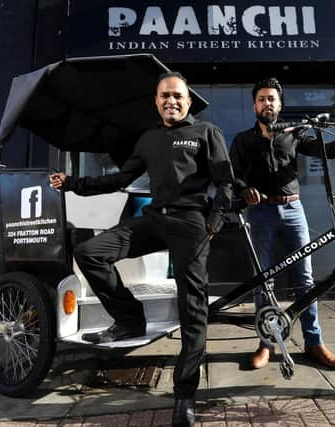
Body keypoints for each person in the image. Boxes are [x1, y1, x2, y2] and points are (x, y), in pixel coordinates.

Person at [50, 71, 234, 427]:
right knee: (89, 253)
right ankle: (130, 318)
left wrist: (215, 221)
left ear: (188, 101)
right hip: (153, 220)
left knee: (192, 308)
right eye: (165, 96)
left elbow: (224, 182)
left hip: (191, 223)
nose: (172, 101)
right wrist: (73, 183)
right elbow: (120, 180)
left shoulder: (206, 133)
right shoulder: (148, 139)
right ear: (156, 101)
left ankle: (184, 395)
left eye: (178, 96)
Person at [229, 77, 335, 371]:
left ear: (279, 104)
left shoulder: (294, 134)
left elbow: (330, 151)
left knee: (305, 281)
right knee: (263, 283)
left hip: (294, 209)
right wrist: (244, 189)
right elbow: (233, 177)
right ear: (254, 105)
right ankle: (266, 344)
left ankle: (314, 342)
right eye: (261, 99)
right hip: (261, 213)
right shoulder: (243, 140)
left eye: (272, 98)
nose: (267, 103)